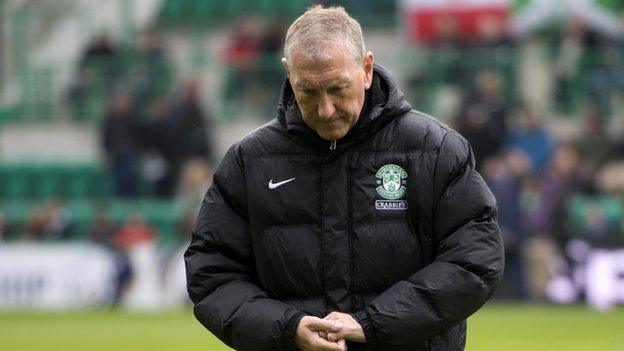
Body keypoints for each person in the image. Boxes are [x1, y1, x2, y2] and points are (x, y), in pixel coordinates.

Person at [185, 6, 503, 351]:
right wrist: (288, 329)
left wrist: (372, 324)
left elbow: (474, 262)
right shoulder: (248, 162)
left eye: (337, 88)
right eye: (307, 91)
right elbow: (212, 275)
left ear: (366, 69)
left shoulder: (436, 150)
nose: (325, 109)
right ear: (288, 74)